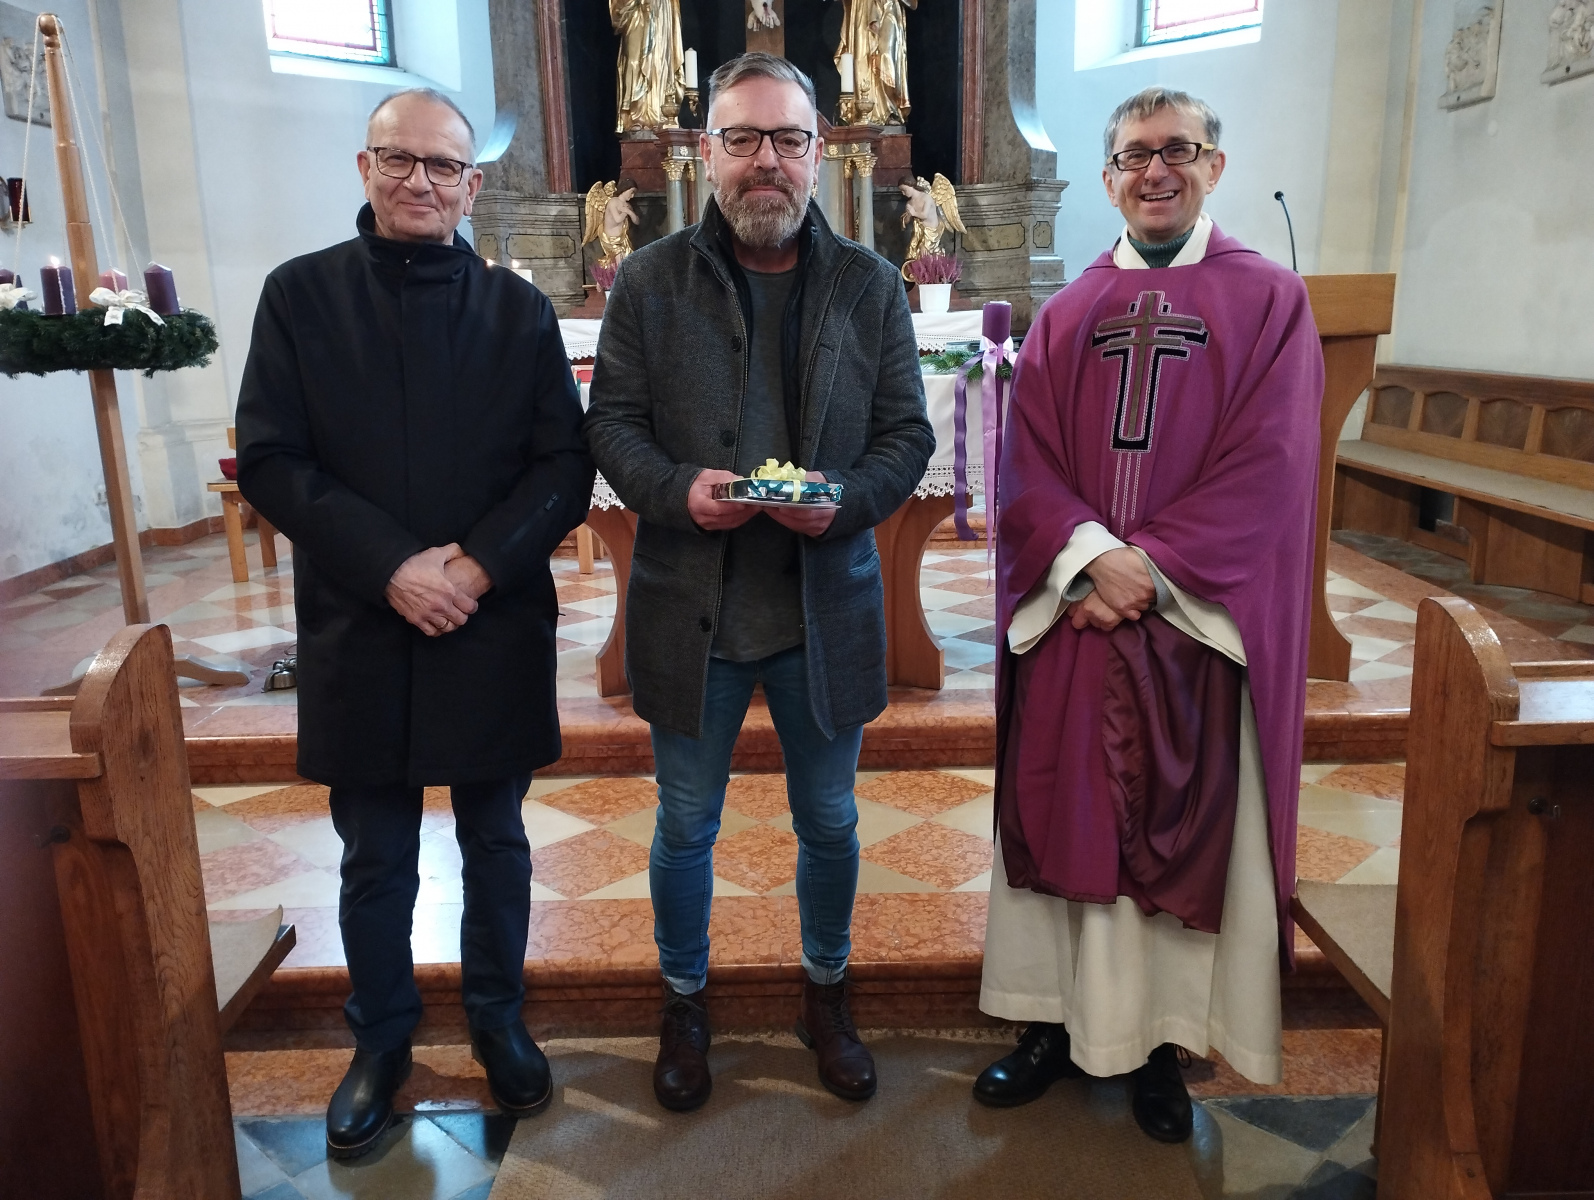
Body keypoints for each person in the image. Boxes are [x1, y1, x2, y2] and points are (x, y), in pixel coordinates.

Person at [236, 88, 594, 1158]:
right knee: (375, 854)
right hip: (362, 620)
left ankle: (497, 1019)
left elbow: (563, 464)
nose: (421, 182)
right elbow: (271, 459)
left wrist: (473, 568)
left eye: (443, 166)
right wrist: (393, 567)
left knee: (497, 840)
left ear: (471, 186)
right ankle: (380, 1040)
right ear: (365, 168)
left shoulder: (517, 311)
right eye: (400, 159)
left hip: (489, 619)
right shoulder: (298, 296)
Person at [972, 86, 1324, 1144]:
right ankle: (1048, 1021)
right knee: (1060, 814)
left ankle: (1163, 1043)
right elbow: (1024, 461)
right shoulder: (1068, 311)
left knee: (1180, 832)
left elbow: (1274, 463)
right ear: (1108, 177)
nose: (1155, 170)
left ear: (1214, 165)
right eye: (1134, 155)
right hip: (1078, 614)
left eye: (1177, 150)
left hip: (1189, 623)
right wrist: (1089, 560)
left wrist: (1152, 569)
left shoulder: (1271, 301)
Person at [585, 52, 933, 1112]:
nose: (765, 160)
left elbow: (906, 434)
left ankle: (826, 992)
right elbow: (612, 427)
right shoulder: (650, 282)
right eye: (742, 139)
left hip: (822, 609)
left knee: (828, 821)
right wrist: (677, 490)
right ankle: (684, 1000)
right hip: (692, 608)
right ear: (707, 153)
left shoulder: (869, 284)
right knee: (685, 825)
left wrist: (849, 499)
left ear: (820, 154)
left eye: (787, 139)